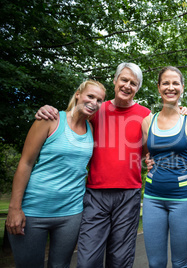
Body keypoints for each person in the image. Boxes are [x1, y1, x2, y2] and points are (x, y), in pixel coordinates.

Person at [35, 62, 151, 267]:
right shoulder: (96, 110)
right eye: (124, 80)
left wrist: (182, 113)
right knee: (88, 259)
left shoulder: (145, 115)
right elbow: (70, 121)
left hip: (129, 194)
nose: (127, 85)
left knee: (120, 260)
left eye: (133, 83)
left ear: (138, 88)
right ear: (115, 81)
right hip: (95, 194)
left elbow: (151, 150)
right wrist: (48, 110)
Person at [6, 80, 106, 267]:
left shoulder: (91, 129)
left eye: (99, 100)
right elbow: (26, 163)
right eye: (90, 96)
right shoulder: (50, 119)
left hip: (71, 214)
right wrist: (14, 208)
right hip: (33, 211)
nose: (94, 102)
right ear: (78, 94)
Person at [141, 66, 187, 268]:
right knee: (156, 263)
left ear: (182, 87)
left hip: (182, 200)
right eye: (165, 83)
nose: (170, 87)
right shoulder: (147, 121)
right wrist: (148, 160)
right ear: (158, 87)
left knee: (180, 262)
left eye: (175, 83)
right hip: (152, 199)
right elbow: (148, 153)